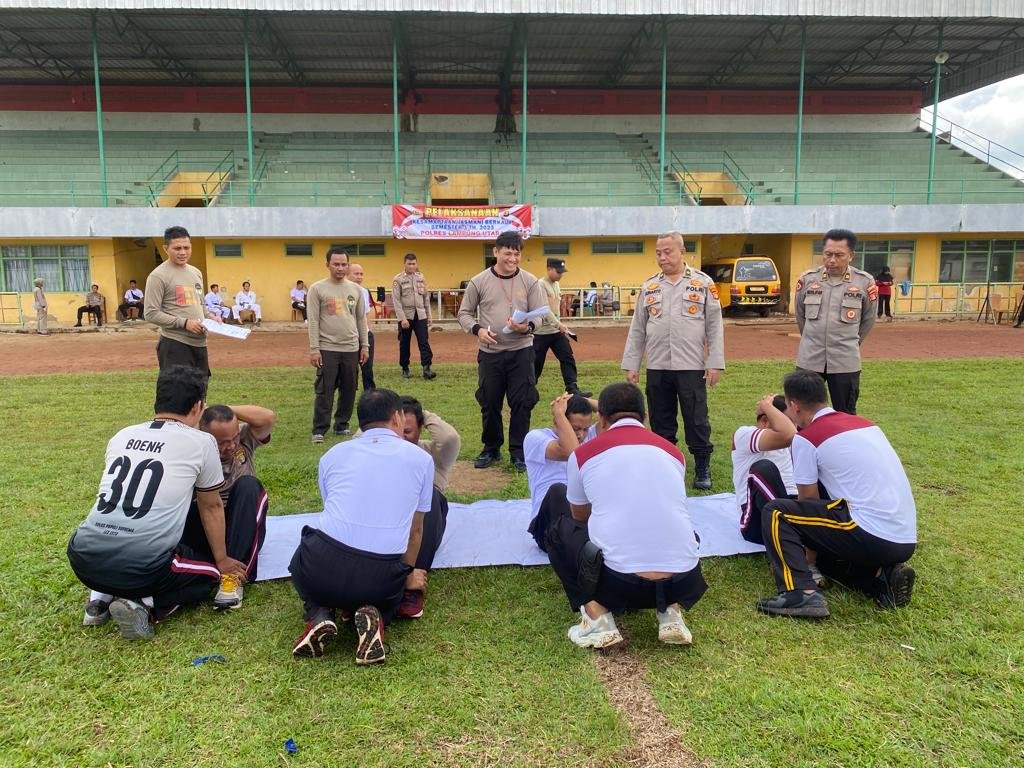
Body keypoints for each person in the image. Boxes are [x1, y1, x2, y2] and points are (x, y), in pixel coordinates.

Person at [66, 365, 255, 640]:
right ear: (198, 406)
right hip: (143, 566)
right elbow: (211, 506)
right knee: (212, 576)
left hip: (82, 557)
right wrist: (223, 560)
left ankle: (99, 599)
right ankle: (144, 605)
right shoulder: (201, 442)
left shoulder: (122, 435)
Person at [548, 383, 706, 649]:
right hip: (684, 581)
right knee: (681, 530)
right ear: (644, 417)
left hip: (619, 584)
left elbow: (580, 516)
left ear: (601, 419)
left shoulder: (583, 454)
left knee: (561, 531)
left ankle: (597, 617)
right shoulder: (674, 453)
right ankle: (671, 613)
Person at [756, 370, 916, 619]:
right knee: (827, 550)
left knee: (777, 512)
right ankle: (880, 579)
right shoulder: (866, 424)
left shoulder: (807, 438)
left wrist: (808, 558)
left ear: (794, 406)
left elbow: (808, 500)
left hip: (870, 532)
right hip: (904, 537)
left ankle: (800, 593)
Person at [289, 389, 433, 663]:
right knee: (388, 596)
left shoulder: (333, 454)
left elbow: (331, 508)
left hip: (320, 564)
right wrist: (404, 577)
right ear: (397, 417)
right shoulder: (421, 460)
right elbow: (415, 532)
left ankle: (319, 613)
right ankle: (376, 616)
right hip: (380, 575)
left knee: (299, 563)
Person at [621, 231, 725, 490]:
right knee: (660, 419)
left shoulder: (702, 283)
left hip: (691, 366)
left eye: (667, 252)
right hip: (657, 366)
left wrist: (714, 362)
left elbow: (714, 326)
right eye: (658, 253)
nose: (662, 257)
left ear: (682, 252)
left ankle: (701, 466)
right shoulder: (650, 286)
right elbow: (638, 328)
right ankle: (666, 465)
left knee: (696, 418)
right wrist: (632, 364)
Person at [457, 230, 547, 472]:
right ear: (495, 252)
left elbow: (540, 314)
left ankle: (518, 452)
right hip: (490, 353)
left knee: (522, 402)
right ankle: (491, 448)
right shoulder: (479, 281)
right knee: (489, 401)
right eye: (507, 253)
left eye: (517, 254)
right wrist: (478, 330)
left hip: (521, 351)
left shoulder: (530, 281)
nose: (512, 259)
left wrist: (527, 326)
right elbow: (464, 313)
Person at [198, 403, 275, 608]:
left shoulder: (245, 440)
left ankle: (232, 579)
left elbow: (267, 417)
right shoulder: (196, 450)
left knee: (249, 485)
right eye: (222, 443)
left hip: (240, 526)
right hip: (208, 527)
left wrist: (223, 409)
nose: (231, 446)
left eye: (234, 438)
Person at [793, 228, 877, 415]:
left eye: (839, 255)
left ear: (851, 255)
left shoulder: (864, 282)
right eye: (828, 254)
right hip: (809, 359)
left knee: (845, 414)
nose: (832, 260)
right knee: (802, 413)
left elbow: (868, 319)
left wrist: (850, 342)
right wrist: (811, 339)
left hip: (844, 360)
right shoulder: (808, 279)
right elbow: (800, 315)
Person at [396, 395, 460, 618]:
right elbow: (361, 438)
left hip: (426, 522)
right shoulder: (382, 452)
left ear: (421, 427)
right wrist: (386, 413)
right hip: (395, 522)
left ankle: (413, 584)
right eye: (396, 429)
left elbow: (450, 437)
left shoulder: (434, 453)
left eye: (407, 431)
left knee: (430, 496)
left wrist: (423, 413)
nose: (401, 438)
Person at [307, 247, 369, 444]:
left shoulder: (356, 290)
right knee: (325, 391)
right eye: (336, 264)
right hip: (327, 348)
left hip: (351, 348)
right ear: (328, 265)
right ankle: (319, 429)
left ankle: (342, 425)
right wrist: (314, 349)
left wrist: (365, 346)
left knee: (349, 389)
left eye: (344, 264)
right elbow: (313, 320)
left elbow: (361, 319)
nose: (340, 268)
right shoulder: (317, 289)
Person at [523, 392, 596, 553]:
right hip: (548, 528)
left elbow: (616, 414)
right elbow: (572, 453)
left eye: (586, 429)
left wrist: (582, 400)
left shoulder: (588, 436)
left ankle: (588, 542)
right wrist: (559, 413)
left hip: (582, 520)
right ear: (558, 421)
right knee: (559, 491)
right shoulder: (536, 438)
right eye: (575, 429)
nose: (581, 435)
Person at [144, 226, 217, 379]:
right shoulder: (158, 276)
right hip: (175, 344)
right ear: (166, 249)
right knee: (177, 391)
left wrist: (211, 317)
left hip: (200, 344)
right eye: (177, 248)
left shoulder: (196, 273)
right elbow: (151, 313)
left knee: (199, 390)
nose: (183, 252)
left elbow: (201, 305)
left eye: (186, 247)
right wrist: (184, 323)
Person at [731, 394, 796, 545]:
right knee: (763, 468)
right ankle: (792, 531)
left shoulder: (792, 439)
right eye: (787, 421)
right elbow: (789, 434)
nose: (794, 426)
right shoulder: (744, 434)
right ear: (765, 420)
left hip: (792, 506)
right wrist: (767, 406)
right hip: (758, 522)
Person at [533, 258, 589, 397]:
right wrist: (559, 325)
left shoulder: (556, 284)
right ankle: (528, 389)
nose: (561, 275)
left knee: (567, 357)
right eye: (558, 272)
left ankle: (572, 388)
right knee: (536, 364)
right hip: (541, 333)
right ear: (549, 269)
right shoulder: (540, 285)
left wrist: (559, 325)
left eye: (562, 272)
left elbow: (555, 308)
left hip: (556, 332)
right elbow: (544, 309)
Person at [392, 252, 436, 380]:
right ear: (404, 264)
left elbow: (425, 297)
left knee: (424, 342)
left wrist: (429, 315)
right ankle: (405, 368)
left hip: (420, 315)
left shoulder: (420, 277)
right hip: (406, 316)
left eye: (414, 264)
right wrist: (402, 319)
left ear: (416, 264)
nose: (412, 266)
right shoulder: (398, 279)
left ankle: (426, 368)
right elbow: (396, 301)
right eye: (409, 264)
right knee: (404, 343)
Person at [348, 263, 376, 390]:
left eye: (361, 274)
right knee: (351, 369)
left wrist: (369, 332)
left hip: (365, 335)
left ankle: (370, 394)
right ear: (347, 275)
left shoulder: (364, 292)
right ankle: (350, 393)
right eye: (356, 274)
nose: (359, 277)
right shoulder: (343, 292)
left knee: (367, 368)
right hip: (350, 336)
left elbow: (366, 314)